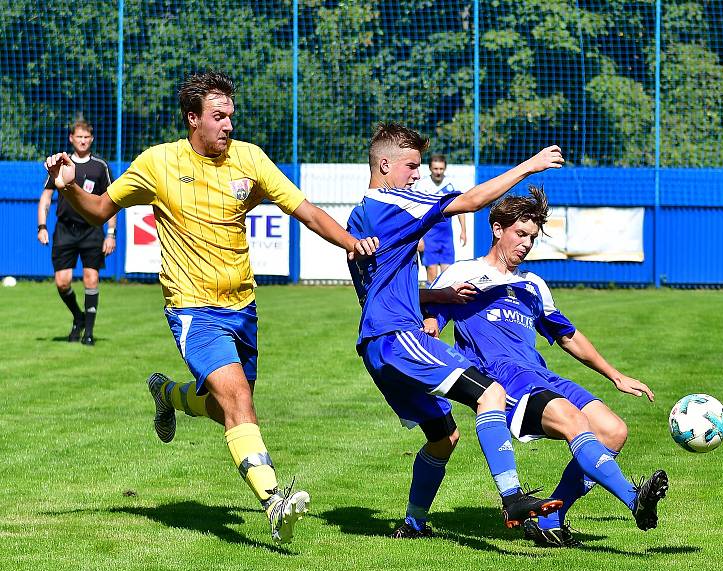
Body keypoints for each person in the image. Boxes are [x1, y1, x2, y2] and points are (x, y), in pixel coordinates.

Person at [44, 71, 378, 545]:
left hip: (242, 306)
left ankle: (171, 396)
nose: (228, 125)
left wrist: (350, 241)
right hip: (192, 308)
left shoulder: (249, 158)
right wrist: (67, 186)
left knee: (227, 409)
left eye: (231, 117)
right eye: (218, 117)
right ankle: (274, 501)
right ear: (193, 118)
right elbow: (97, 210)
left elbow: (304, 210)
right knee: (239, 397)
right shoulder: (157, 163)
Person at [347, 122, 565, 539]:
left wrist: (437, 297)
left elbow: (382, 286)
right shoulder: (393, 202)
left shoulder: (359, 216)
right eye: (411, 166)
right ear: (385, 163)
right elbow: (471, 201)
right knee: (491, 393)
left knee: (444, 436)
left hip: (376, 345)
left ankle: (413, 523)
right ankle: (513, 496)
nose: (416, 173)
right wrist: (529, 166)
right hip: (397, 337)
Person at [424, 189, 668, 547]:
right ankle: (635, 500)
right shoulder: (464, 273)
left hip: (540, 374)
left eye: (532, 238)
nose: (526, 244)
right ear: (497, 229)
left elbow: (567, 336)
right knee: (572, 420)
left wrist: (615, 375)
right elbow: (434, 318)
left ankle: (550, 518)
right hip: (505, 378)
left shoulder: (534, 285)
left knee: (613, 430)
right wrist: (429, 334)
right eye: (520, 234)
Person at [37, 118, 117, 346]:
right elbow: (45, 199)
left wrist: (111, 233)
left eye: (86, 137)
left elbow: (111, 201)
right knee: (62, 282)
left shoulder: (100, 166)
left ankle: (89, 333)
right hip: (64, 230)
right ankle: (78, 316)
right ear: (71, 138)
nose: (82, 141)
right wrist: (42, 226)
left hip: (92, 230)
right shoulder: (60, 164)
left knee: (91, 278)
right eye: (78, 136)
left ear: (91, 139)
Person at [414, 155, 467, 285]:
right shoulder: (422, 185)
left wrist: (463, 231)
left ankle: (444, 304)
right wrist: (418, 237)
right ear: (430, 168)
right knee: (432, 274)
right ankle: (429, 305)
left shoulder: (451, 185)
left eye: (441, 169)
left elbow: (460, 207)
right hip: (428, 235)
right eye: (436, 168)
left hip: (446, 236)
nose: (438, 172)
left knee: (447, 276)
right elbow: (416, 212)